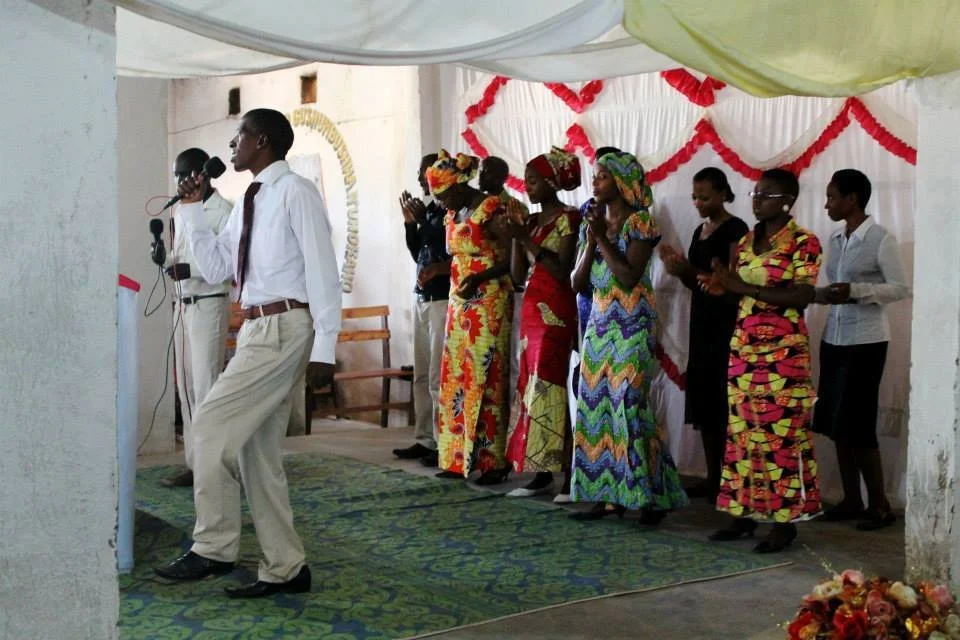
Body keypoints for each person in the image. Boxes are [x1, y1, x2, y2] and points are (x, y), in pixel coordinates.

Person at [154, 108, 342, 598]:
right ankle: (286, 566)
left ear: (262, 140)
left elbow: (323, 269)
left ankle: (213, 547)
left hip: (284, 325)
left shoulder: (295, 192)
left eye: (239, 136)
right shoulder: (247, 201)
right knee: (257, 454)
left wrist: (326, 346)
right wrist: (192, 210)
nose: (232, 145)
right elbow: (217, 267)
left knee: (211, 424)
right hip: (257, 327)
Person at [699, 168, 822, 553]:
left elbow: (803, 296)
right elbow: (738, 291)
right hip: (744, 347)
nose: (756, 199)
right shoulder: (747, 240)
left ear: (787, 201)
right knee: (743, 431)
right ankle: (744, 512)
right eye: (755, 192)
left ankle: (785, 523)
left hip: (783, 352)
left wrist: (745, 287)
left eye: (765, 195)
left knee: (782, 435)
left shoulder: (805, 242)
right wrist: (721, 286)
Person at [570, 151, 687, 524]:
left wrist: (602, 237)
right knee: (598, 409)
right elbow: (577, 283)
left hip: (633, 323)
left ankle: (654, 496)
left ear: (621, 181)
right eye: (596, 175)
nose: (595, 181)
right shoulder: (594, 220)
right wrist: (591, 240)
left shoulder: (641, 223)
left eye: (603, 176)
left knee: (629, 407)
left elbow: (627, 276)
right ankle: (608, 494)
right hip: (600, 324)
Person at [812, 169, 910, 531]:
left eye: (832, 197)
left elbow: (900, 288)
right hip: (834, 338)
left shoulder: (881, 239)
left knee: (861, 423)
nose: (827, 204)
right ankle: (851, 499)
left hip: (866, 342)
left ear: (852, 199)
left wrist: (855, 291)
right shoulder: (835, 238)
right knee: (837, 420)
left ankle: (880, 504)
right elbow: (832, 285)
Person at [660, 168, 748, 502]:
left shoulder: (736, 230)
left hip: (725, 323)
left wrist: (689, 271)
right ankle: (714, 476)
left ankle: (731, 479)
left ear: (724, 194)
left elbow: (730, 283)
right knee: (708, 405)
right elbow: (697, 281)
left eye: (705, 197)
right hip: (701, 322)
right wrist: (679, 270)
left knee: (723, 405)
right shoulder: (700, 230)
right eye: (695, 196)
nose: (698, 203)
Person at [427, 150, 513, 485]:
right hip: (459, 303)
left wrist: (480, 277)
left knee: (487, 379)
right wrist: (443, 270)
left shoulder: (491, 208)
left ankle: (493, 462)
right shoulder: (454, 213)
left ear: (460, 185)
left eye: (444, 194)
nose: (441, 202)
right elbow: (460, 255)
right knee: (455, 380)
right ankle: (455, 458)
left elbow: (515, 257)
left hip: (489, 303)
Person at [502, 147, 582, 497]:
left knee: (551, 384)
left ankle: (565, 471)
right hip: (532, 308)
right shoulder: (533, 223)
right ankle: (539, 470)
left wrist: (525, 239)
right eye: (527, 180)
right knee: (530, 385)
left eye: (533, 180)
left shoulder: (569, 217)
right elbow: (518, 275)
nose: (527, 186)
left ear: (551, 182)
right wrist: (516, 239)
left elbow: (562, 269)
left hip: (556, 309)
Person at [161, 148, 234, 488]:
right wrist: (164, 259)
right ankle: (195, 462)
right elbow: (180, 255)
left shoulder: (224, 212)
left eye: (184, 175)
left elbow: (226, 264)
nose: (179, 182)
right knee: (186, 388)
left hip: (208, 303)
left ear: (201, 175)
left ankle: (214, 463)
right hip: (183, 305)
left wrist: (191, 269)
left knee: (207, 384)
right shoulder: (183, 209)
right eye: (176, 176)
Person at [392, 153, 451, 468]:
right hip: (422, 297)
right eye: (418, 171)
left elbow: (449, 249)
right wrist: (409, 223)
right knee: (421, 374)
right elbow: (419, 251)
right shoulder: (428, 210)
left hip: (443, 299)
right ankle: (423, 437)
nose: (419, 176)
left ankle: (443, 442)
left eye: (424, 171)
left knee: (437, 376)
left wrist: (421, 223)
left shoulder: (450, 210)